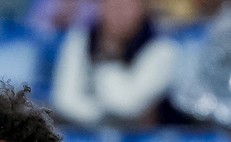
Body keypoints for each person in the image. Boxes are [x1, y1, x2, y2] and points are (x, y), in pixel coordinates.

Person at [51, 0, 180, 127]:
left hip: (147, 141)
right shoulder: (80, 38)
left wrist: (108, 59)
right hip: (87, 134)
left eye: (127, 6)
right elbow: (64, 100)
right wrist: (98, 116)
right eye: (112, 5)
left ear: (143, 8)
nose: (119, 13)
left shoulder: (164, 47)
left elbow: (128, 105)